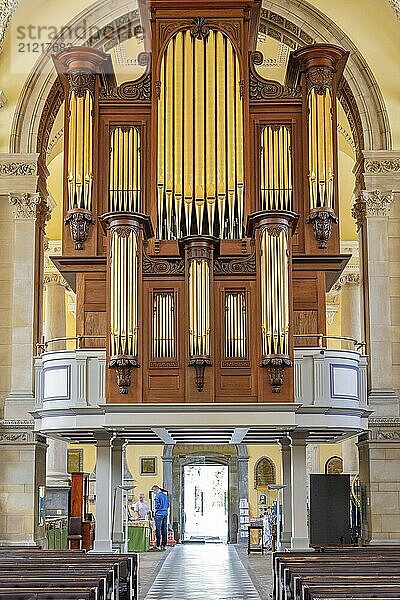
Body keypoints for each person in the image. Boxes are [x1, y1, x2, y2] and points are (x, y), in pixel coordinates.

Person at [152, 485, 169, 550]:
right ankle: (164, 545)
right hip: (165, 513)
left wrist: (155, 511)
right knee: (164, 529)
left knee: (158, 529)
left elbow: (157, 505)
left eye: (153, 491)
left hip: (159, 514)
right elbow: (168, 505)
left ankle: (158, 545)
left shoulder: (157, 496)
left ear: (156, 489)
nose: (154, 492)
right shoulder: (165, 496)